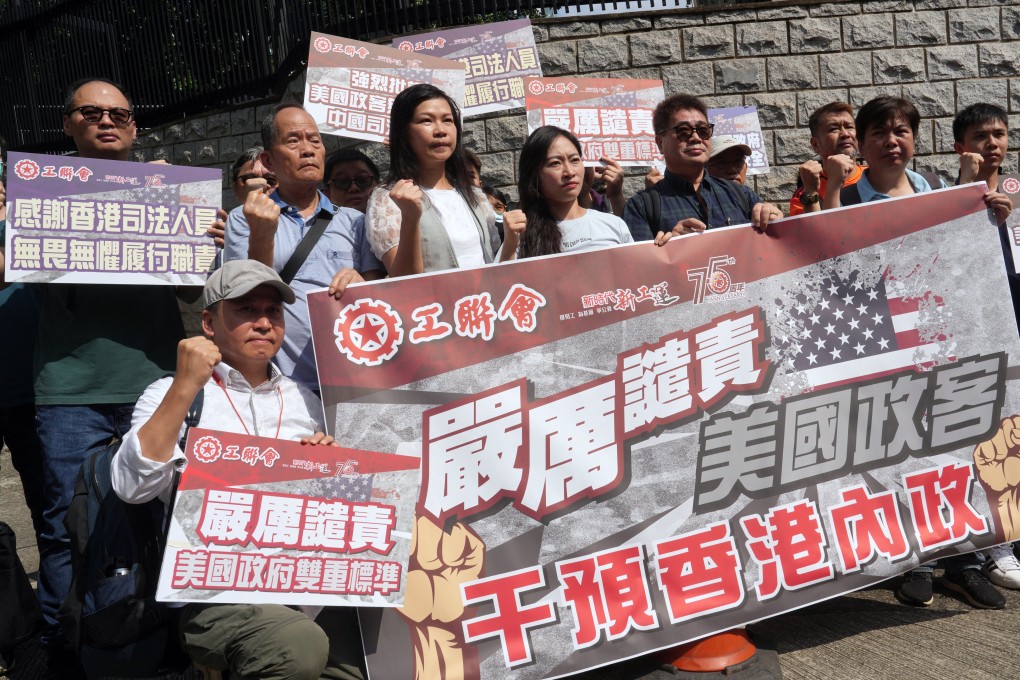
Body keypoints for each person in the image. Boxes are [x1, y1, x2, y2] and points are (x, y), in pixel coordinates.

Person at [110, 259, 365, 680]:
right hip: (217, 592)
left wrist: (327, 462)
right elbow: (131, 486)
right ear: (209, 322)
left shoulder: (305, 398)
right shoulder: (171, 393)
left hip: (311, 583)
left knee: (370, 653)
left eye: (273, 311)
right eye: (246, 311)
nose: (263, 322)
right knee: (297, 647)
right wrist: (186, 384)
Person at [823, 96, 1005, 610]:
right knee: (898, 454)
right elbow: (826, 250)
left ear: (915, 139)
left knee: (953, 447)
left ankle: (965, 561)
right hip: (882, 346)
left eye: (901, 131)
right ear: (861, 141)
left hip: (940, 340)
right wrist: (833, 188)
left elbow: (967, 259)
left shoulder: (938, 192)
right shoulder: (851, 194)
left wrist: (989, 209)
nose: (891, 140)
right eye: (879, 132)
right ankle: (915, 561)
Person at [33, 78, 193, 652]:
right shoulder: (41, 195)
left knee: (170, 514)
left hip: (157, 384)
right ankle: (68, 647)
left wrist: (205, 238)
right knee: (66, 523)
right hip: (70, 387)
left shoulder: (170, 193)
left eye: (120, 114)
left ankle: (170, 642)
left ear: (134, 126)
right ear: (68, 123)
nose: (108, 121)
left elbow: (198, 296)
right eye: (92, 112)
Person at [223, 103, 384, 392]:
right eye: (294, 141)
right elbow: (243, 296)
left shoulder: (355, 221)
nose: (308, 150)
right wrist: (262, 234)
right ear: (268, 160)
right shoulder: (243, 218)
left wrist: (362, 284)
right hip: (277, 385)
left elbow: (379, 301)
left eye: (315, 140)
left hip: (350, 377)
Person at [951, 102, 1018, 590]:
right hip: (973, 332)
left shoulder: (1019, 192)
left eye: (999, 134)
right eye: (980, 136)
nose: (992, 143)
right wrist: (965, 194)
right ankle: (994, 546)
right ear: (961, 145)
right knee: (988, 437)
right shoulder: (946, 196)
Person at [365, 83, 521, 276]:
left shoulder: (474, 195)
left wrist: (511, 243)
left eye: (448, 120)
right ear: (404, 133)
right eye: (426, 121)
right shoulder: (389, 198)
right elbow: (403, 281)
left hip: (483, 305)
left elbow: (495, 269)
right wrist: (410, 217)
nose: (440, 130)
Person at [623, 93, 782, 241]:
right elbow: (638, 267)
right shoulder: (640, 207)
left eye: (703, 130)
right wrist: (669, 249)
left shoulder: (742, 194)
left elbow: (772, 247)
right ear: (660, 143)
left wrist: (775, 219)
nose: (696, 137)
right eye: (683, 131)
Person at [516, 126, 673, 258]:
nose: (569, 172)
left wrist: (664, 251)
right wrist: (510, 247)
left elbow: (637, 277)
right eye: (555, 163)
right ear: (534, 175)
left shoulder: (613, 224)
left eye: (574, 160)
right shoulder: (520, 236)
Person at [789, 102, 863, 215]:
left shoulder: (875, 176)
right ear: (815, 144)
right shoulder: (806, 193)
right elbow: (811, 232)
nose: (845, 134)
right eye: (834, 129)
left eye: (849, 127)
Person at [323, 147, 380, 213]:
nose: (354, 188)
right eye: (342, 182)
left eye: (363, 180)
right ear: (327, 194)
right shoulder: (315, 223)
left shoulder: (394, 219)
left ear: (379, 187)